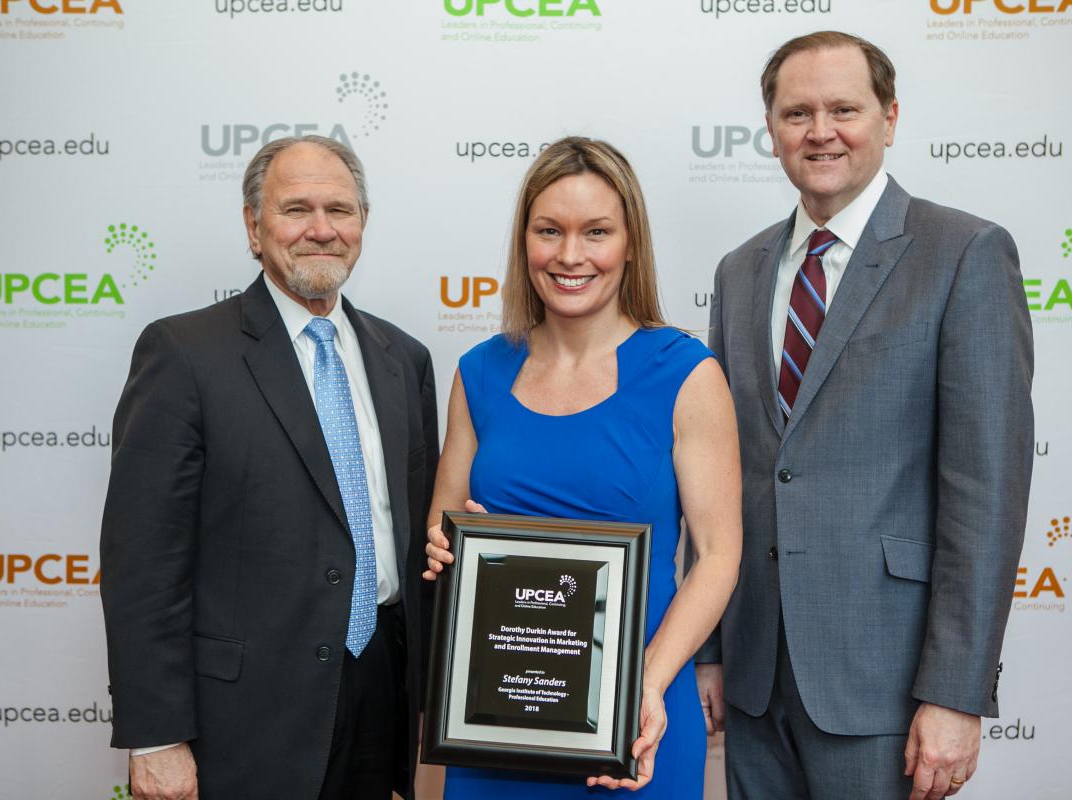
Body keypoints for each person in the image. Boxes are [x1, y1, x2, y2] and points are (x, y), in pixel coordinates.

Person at [697, 31, 1034, 800]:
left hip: (886, 683)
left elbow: (985, 494)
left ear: (889, 118)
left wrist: (955, 692)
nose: (821, 132)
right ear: (772, 128)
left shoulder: (964, 253)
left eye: (843, 109)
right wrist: (711, 648)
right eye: (797, 112)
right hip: (755, 676)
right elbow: (727, 475)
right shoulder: (740, 269)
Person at [100, 135, 439, 800]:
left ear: (362, 225)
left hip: (379, 693)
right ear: (254, 228)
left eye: (340, 210)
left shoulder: (405, 359)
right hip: (242, 720)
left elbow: (417, 532)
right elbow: (143, 561)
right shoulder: (184, 354)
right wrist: (157, 736)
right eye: (296, 210)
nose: (321, 229)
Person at [423, 136, 742, 797]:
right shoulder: (479, 372)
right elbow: (446, 530)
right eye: (550, 231)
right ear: (524, 242)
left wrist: (646, 685)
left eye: (596, 232)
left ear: (630, 244)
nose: (571, 255)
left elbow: (717, 556)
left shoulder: (685, 373)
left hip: (638, 719)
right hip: (496, 723)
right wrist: (443, 549)